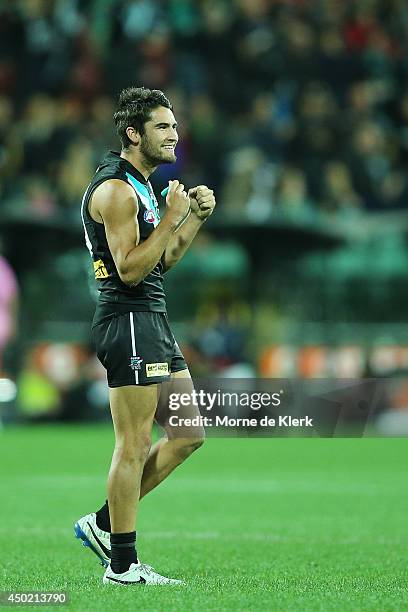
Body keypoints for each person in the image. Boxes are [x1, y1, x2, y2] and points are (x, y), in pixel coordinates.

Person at [74, 87, 216, 586]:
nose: (174, 133)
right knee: (133, 444)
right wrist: (173, 216)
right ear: (133, 134)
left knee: (188, 434)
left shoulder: (142, 186)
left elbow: (164, 260)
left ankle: (103, 524)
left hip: (152, 319)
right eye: (162, 126)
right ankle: (122, 566)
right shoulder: (115, 189)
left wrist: (192, 220)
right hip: (127, 320)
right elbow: (130, 270)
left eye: (174, 126)